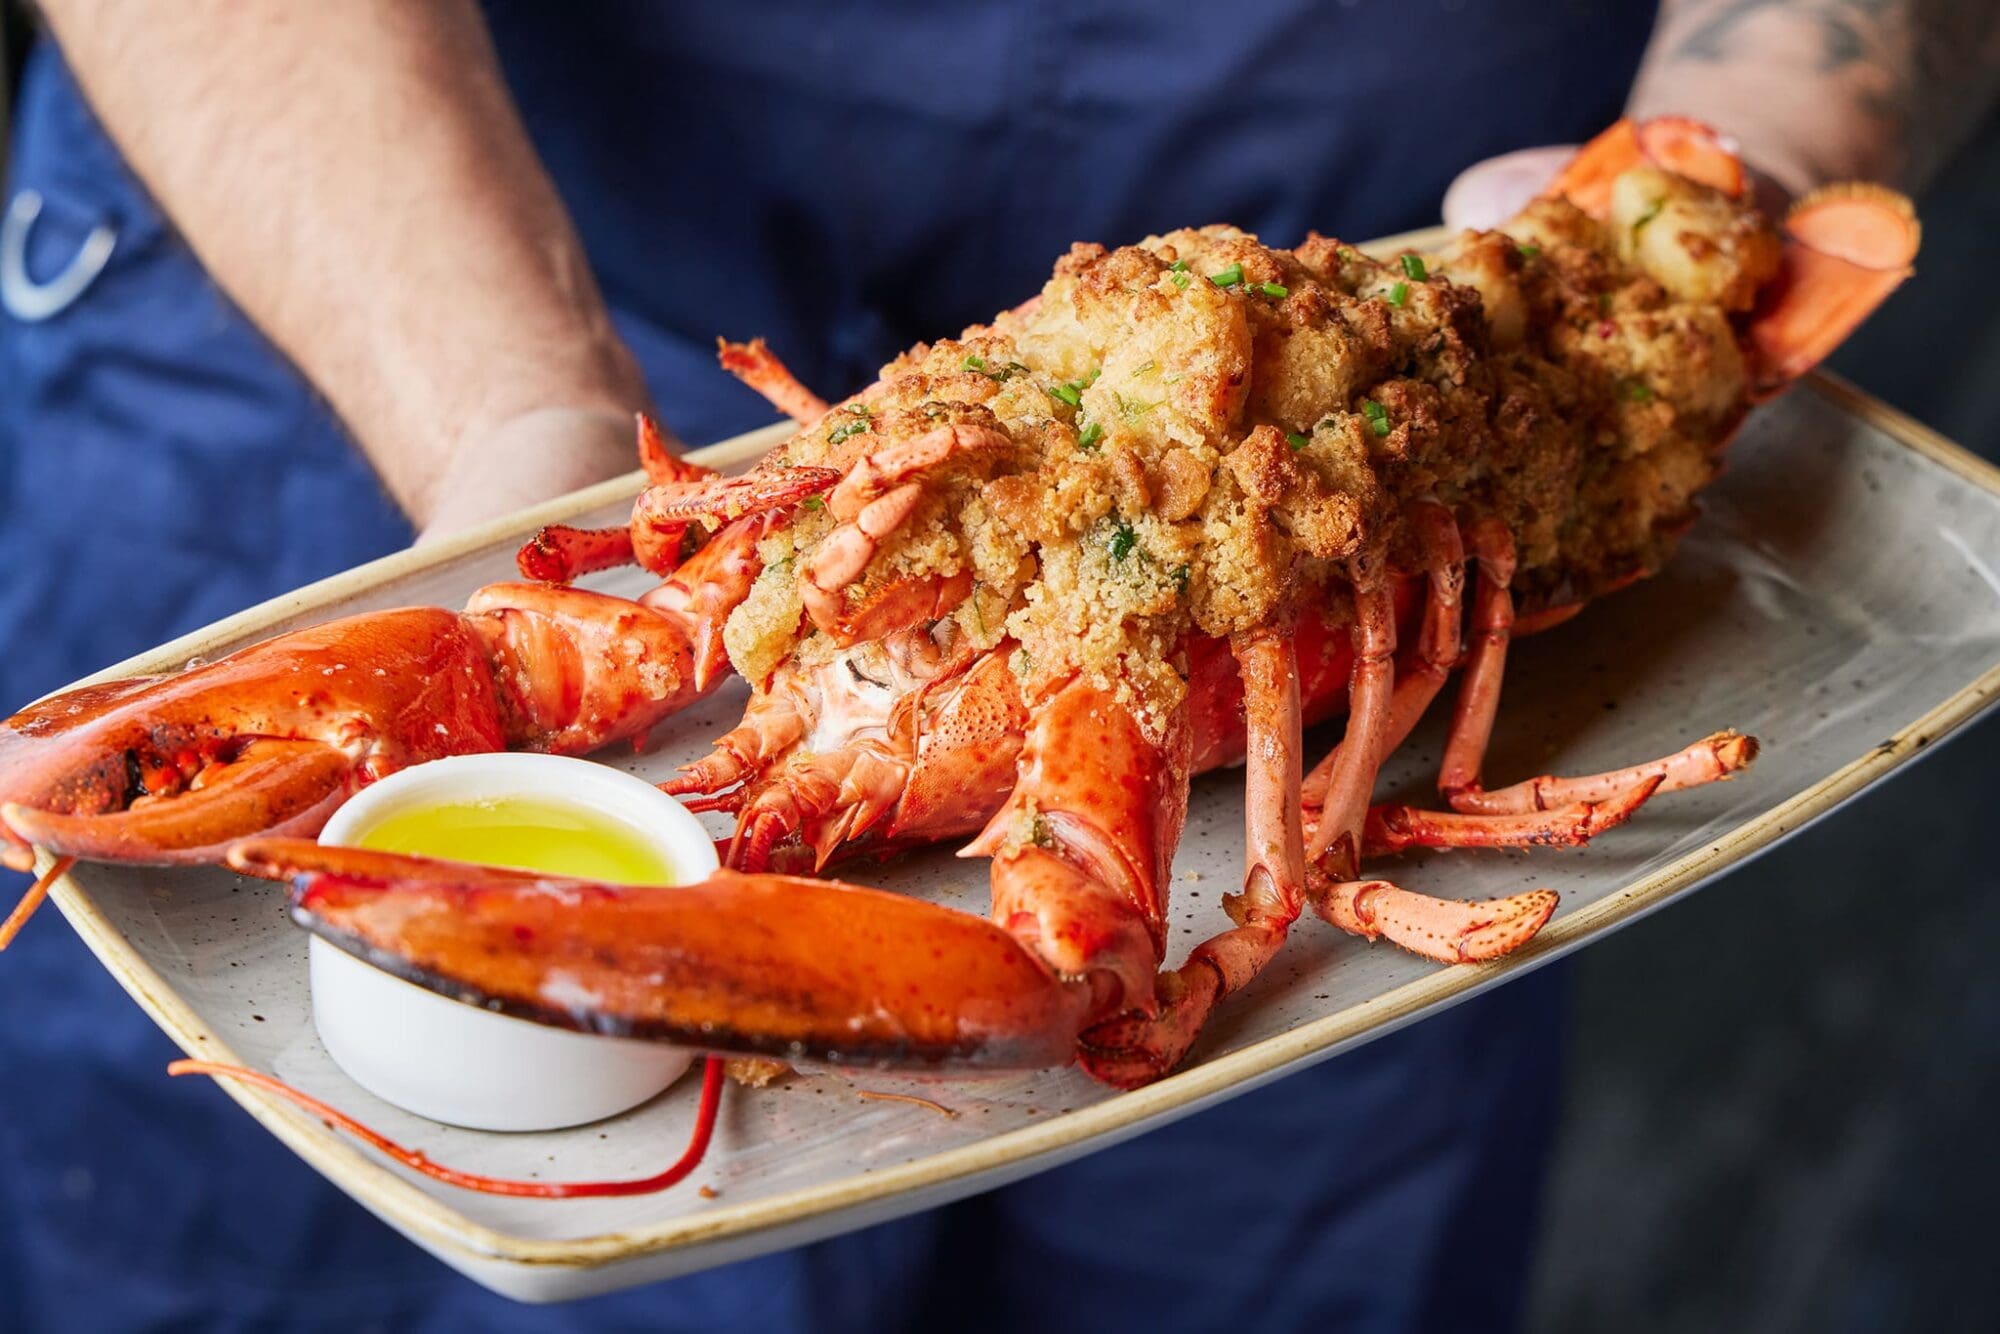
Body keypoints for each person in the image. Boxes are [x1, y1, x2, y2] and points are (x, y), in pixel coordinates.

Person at [0, 2, 1987, 1329]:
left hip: (1421, 228)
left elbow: (1074, 966)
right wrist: (503, 471)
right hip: (397, 233)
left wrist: (1725, 163)